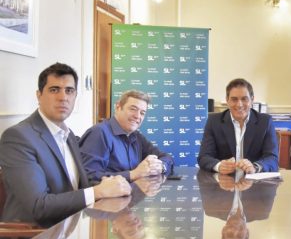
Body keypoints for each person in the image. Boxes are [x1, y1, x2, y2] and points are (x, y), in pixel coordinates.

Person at [0, 63, 131, 225]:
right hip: (35, 236)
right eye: (54, 90)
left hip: (72, 228)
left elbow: (77, 187)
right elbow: (39, 206)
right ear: (39, 95)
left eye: (69, 91)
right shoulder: (18, 137)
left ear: (75, 96)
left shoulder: (68, 136)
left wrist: (113, 184)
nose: (63, 97)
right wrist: (98, 191)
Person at [79, 90, 174, 182]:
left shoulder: (136, 136)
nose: (137, 116)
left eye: (142, 113)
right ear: (118, 107)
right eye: (133, 109)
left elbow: (165, 157)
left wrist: (161, 166)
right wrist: (133, 174)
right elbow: (89, 177)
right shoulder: (99, 133)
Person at [197, 78, 278, 174]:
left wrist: (255, 167)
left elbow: (272, 158)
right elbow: (204, 157)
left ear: (252, 100)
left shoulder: (265, 122)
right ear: (227, 100)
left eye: (244, 99)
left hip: (253, 179)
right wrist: (219, 166)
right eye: (234, 99)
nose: (239, 104)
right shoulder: (214, 121)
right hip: (224, 179)